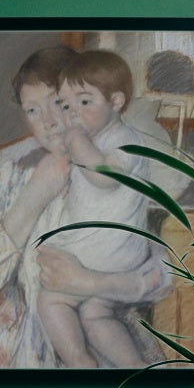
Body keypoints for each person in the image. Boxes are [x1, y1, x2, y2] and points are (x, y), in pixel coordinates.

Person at [0, 46, 172, 369]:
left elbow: (164, 275)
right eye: (32, 110)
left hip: (102, 333)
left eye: (58, 103)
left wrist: (89, 282)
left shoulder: (115, 157)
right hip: (15, 345)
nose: (50, 122)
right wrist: (34, 196)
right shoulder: (11, 171)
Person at [37, 50, 154, 368]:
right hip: (115, 254)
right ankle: (136, 370)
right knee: (95, 313)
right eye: (66, 104)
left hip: (106, 252)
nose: (72, 113)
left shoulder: (125, 141)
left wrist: (75, 138)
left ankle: (79, 361)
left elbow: (105, 177)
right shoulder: (96, 137)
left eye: (84, 101)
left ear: (116, 101)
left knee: (50, 298)